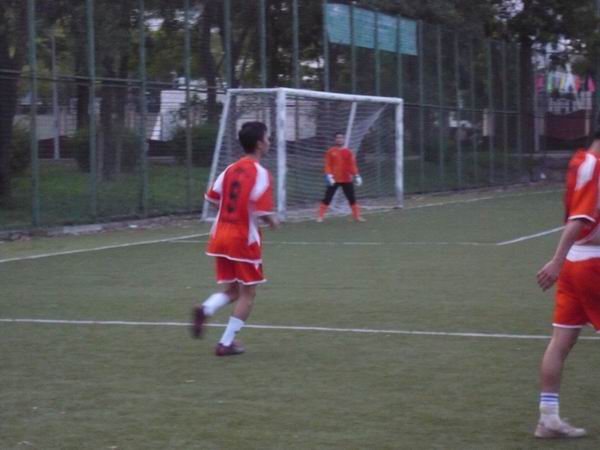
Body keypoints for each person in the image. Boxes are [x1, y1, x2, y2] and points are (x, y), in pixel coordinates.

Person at [191, 121, 279, 357]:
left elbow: (212, 197)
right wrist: (273, 221)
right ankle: (226, 343)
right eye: (267, 138)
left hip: (220, 236)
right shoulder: (261, 173)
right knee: (248, 294)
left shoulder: (230, 169)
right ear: (259, 144)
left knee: (233, 289)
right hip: (243, 240)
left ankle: (206, 308)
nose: (269, 141)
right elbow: (263, 212)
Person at [533, 130, 600, 438]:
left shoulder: (581, 161)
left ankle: (548, 419)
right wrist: (556, 260)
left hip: (576, 263)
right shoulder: (595, 165)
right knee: (560, 343)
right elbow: (579, 219)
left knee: (560, 342)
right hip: (592, 265)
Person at [317, 132, 365, 222]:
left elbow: (352, 165)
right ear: (335, 140)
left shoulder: (348, 152)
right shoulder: (330, 151)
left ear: (343, 139)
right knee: (327, 197)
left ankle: (357, 217)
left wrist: (356, 175)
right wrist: (329, 175)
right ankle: (320, 217)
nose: (339, 139)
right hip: (334, 179)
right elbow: (328, 164)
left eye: (341, 138)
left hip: (347, 179)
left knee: (352, 198)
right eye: (337, 138)